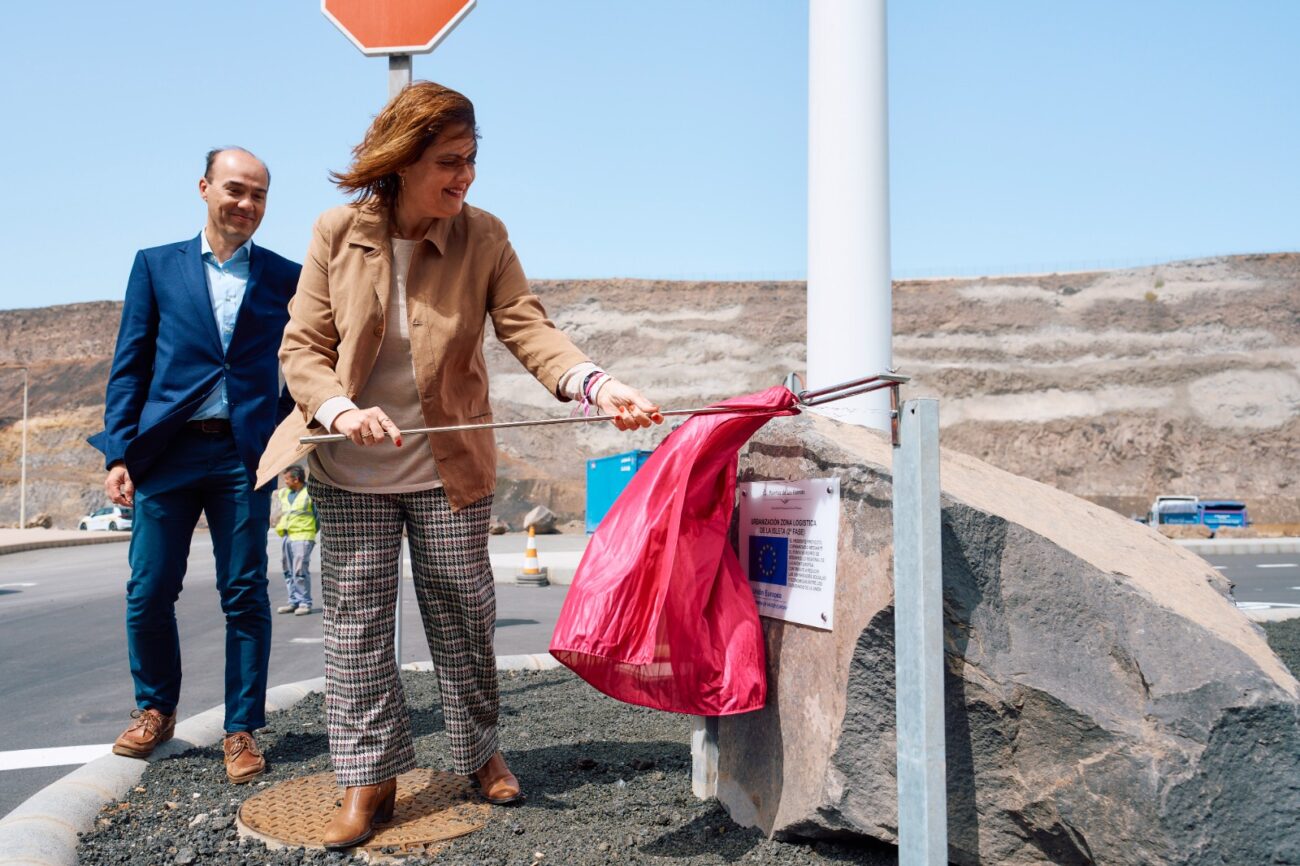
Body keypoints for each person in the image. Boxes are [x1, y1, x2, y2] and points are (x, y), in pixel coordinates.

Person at [257, 81, 661, 849]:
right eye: (449, 161)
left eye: (472, 160)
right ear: (403, 160)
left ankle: (478, 752)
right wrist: (340, 410)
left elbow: (529, 329)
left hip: (447, 473)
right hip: (351, 470)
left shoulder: (484, 236)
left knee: (465, 615)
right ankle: (366, 778)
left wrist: (597, 386)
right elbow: (300, 350)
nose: (465, 176)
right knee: (355, 626)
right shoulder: (337, 231)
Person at [89, 147, 301, 785]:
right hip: (169, 452)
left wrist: (289, 441)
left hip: (244, 456)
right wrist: (121, 451)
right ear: (205, 188)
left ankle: (242, 728)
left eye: (259, 195)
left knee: (244, 593)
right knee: (149, 589)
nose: (247, 204)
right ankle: (155, 709)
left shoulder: (284, 276)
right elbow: (131, 364)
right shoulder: (156, 266)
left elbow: (298, 364)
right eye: (236, 190)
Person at [272, 465, 317, 615]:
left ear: (296, 479)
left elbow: (317, 517)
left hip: (303, 536)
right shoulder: (284, 493)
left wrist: (310, 531)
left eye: (287, 479)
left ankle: (304, 602)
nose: (285, 482)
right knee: (288, 570)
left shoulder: (310, 493)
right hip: (287, 536)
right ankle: (293, 601)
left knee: (300, 570)